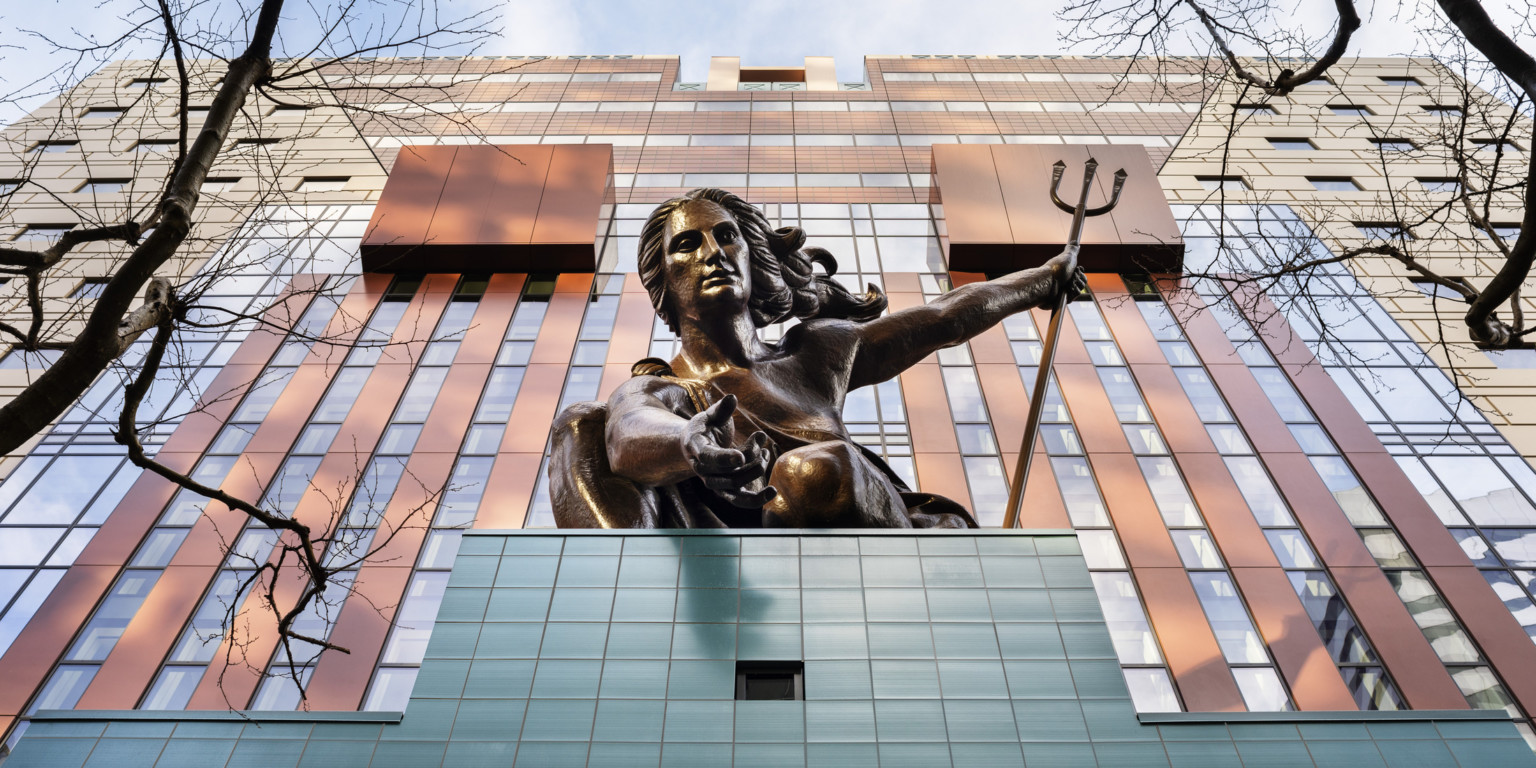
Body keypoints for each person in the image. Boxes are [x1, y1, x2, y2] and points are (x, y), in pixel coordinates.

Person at [548, 187, 1084, 528]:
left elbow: (945, 318)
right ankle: (627, 608)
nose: (712, 253)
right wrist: (687, 441)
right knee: (580, 425)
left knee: (810, 471)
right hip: (722, 555)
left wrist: (1042, 279)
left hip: (847, 510)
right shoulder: (662, 391)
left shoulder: (816, 352)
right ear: (663, 282)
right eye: (687, 245)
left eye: (726, 237)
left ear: (754, 260)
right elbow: (628, 433)